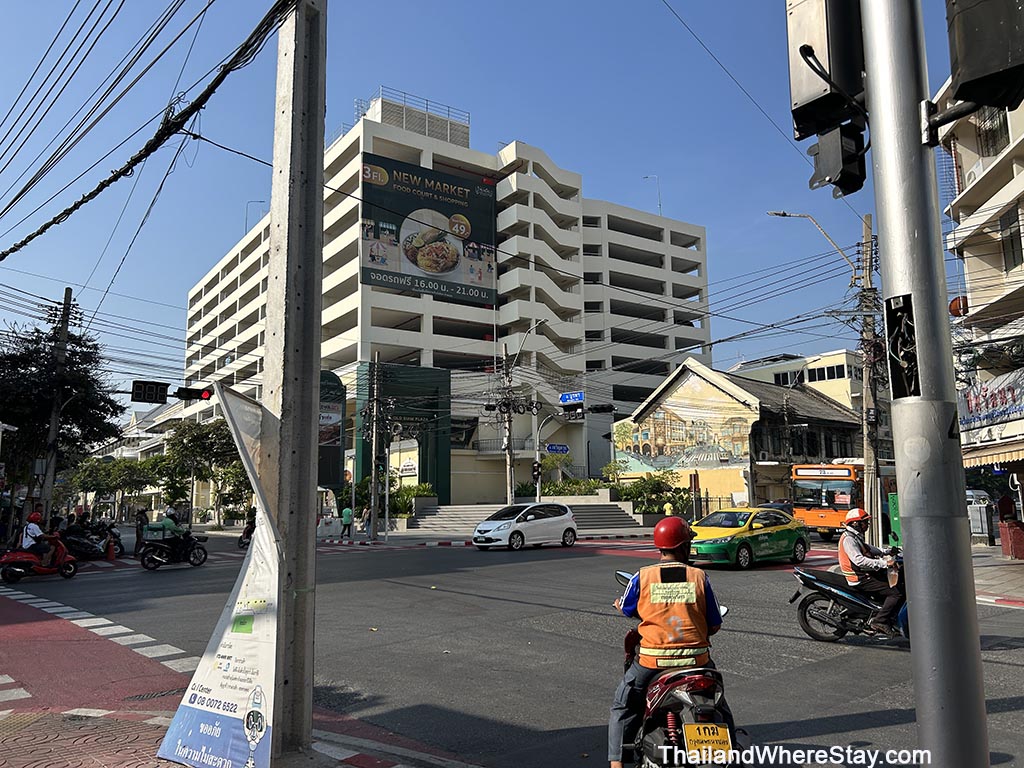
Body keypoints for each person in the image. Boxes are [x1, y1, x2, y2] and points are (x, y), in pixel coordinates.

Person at [608, 517, 733, 768]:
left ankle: (616, 763)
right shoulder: (699, 577)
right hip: (698, 663)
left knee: (623, 704)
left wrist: (622, 607)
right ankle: (732, 747)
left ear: (660, 547)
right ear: (684, 546)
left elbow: (628, 608)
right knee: (720, 704)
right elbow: (715, 625)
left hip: (652, 662)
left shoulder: (643, 576)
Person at [838, 508, 903, 634]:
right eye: (865, 522)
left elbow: (870, 549)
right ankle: (879, 621)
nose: (867, 525)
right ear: (856, 523)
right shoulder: (848, 539)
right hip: (859, 578)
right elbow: (859, 560)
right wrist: (885, 563)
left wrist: (888, 551)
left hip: (866, 573)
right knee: (895, 592)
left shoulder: (855, 537)